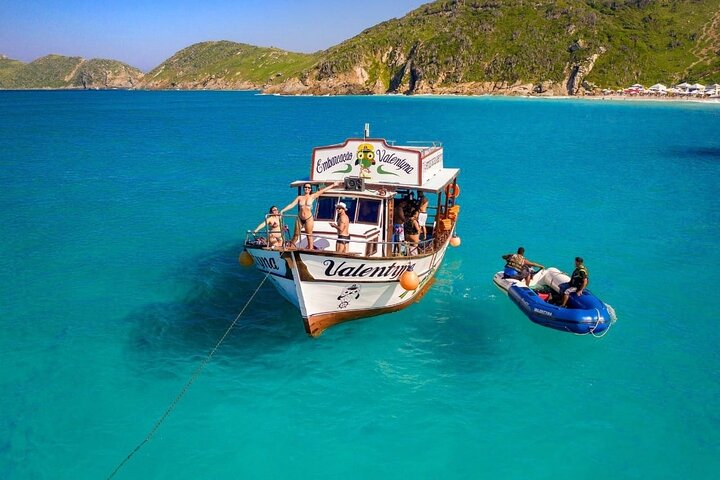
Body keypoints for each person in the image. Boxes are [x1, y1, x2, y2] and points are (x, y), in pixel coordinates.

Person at [280, 181, 341, 249]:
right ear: (304, 188)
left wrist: (333, 185)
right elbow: (291, 205)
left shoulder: (312, 196)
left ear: (310, 189)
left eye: (309, 187)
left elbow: (323, 190)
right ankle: (290, 248)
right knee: (296, 235)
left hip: (308, 219)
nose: (307, 188)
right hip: (299, 218)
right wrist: (283, 210)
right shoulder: (299, 197)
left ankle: (310, 249)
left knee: (309, 235)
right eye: (305, 187)